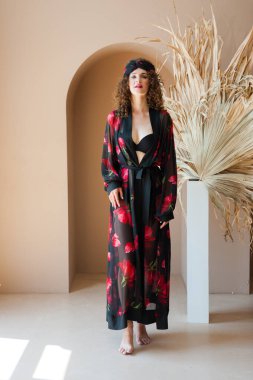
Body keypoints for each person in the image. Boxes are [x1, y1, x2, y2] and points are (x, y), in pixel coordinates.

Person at [101, 57, 177, 355]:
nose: (138, 80)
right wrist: (112, 185)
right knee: (126, 263)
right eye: (133, 75)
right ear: (126, 82)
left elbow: (171, 165)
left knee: (149, 261)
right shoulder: (114, 118)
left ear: (151, 83)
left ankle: (143, 322)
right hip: (123, 200)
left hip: (153, 196)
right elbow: (108, 160)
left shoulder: (163, 118)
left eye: (144, 76)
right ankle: (128, 330)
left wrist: (166, 207)